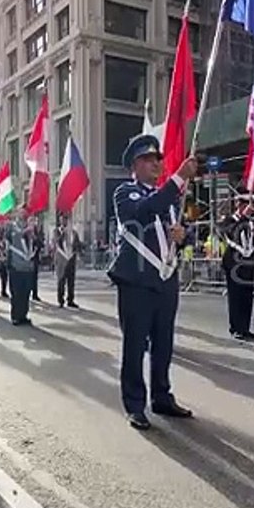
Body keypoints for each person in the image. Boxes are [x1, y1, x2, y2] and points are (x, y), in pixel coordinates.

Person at [108, 133, 198, 430]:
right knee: (135, 345)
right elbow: (141, 215)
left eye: (158, 159)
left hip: (165, 280)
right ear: (135, 165)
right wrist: (178, 178)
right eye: (148, 159)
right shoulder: (126, 193)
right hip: (136, 281)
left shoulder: (170, 200)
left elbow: (179, 235)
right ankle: (135, 404)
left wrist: (183, 237)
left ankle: (162, 396)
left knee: (164, 344)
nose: (156, 163)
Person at [220, 198, 254, 340]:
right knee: (235, 296)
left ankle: (245, 328)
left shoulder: (248, 222)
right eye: (243, 205)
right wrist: (244, 218)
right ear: (237, 206)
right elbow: (233, 233)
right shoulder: (228, 220)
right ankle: (235, 327)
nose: (245, 208)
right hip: (234, 263)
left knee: (247, 297)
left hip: (247, 263)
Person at [6, 213, 36, 326]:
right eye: (22, 214)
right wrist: (25, 232)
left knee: (26, 293)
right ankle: (15, 316)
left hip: (27, 267)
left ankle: (23, 315)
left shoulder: (31, 230)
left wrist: (33, 236)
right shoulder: (11, 227)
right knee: (16, 293)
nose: (23, 218)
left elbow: (37, 244)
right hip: (16, 266)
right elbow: (11, 237)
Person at [53, 214, 82, 308]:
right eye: (62, 220)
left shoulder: (74, 233)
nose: (64, 222)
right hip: (61, 260)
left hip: (71, 260)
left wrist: (78, 252)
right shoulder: (57, 231)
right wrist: (63, 233)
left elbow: (77, 244)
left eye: (66, 220)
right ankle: (60, 300)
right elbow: (56, 242)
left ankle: (70, 300)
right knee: (61, 280)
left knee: (71, 281)